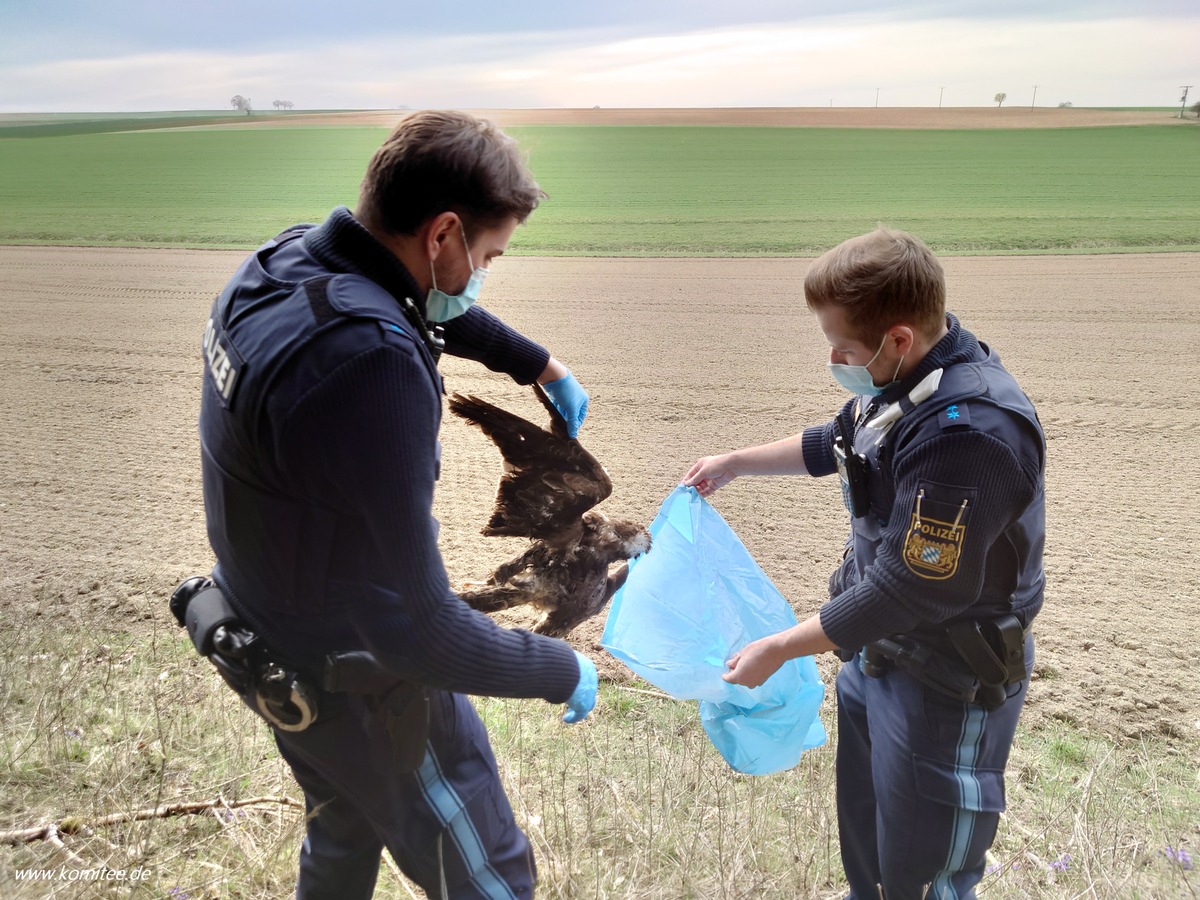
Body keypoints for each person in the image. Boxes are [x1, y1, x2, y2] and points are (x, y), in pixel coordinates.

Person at [193, 110, 597, 899]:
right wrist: (562, 667)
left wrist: (536, 364)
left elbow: (403, 301)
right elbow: (423, 632)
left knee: (343, 833)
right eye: (486, 255)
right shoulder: (372, 363)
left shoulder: (278, 266)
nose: (484, 274)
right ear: (443, 234)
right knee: (490, 879)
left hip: (264, 635)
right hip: (365, 686)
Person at [683, 228, 1045, 900]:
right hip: (877, 659)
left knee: (926, 871)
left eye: (843, 347)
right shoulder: (907, 382)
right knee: (873, 853)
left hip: (947, 679)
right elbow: (841, 441)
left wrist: (783, 647)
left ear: (898, 337)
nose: (833, 358)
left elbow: (913, 585)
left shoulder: (970, 435)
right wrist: (735, 463)